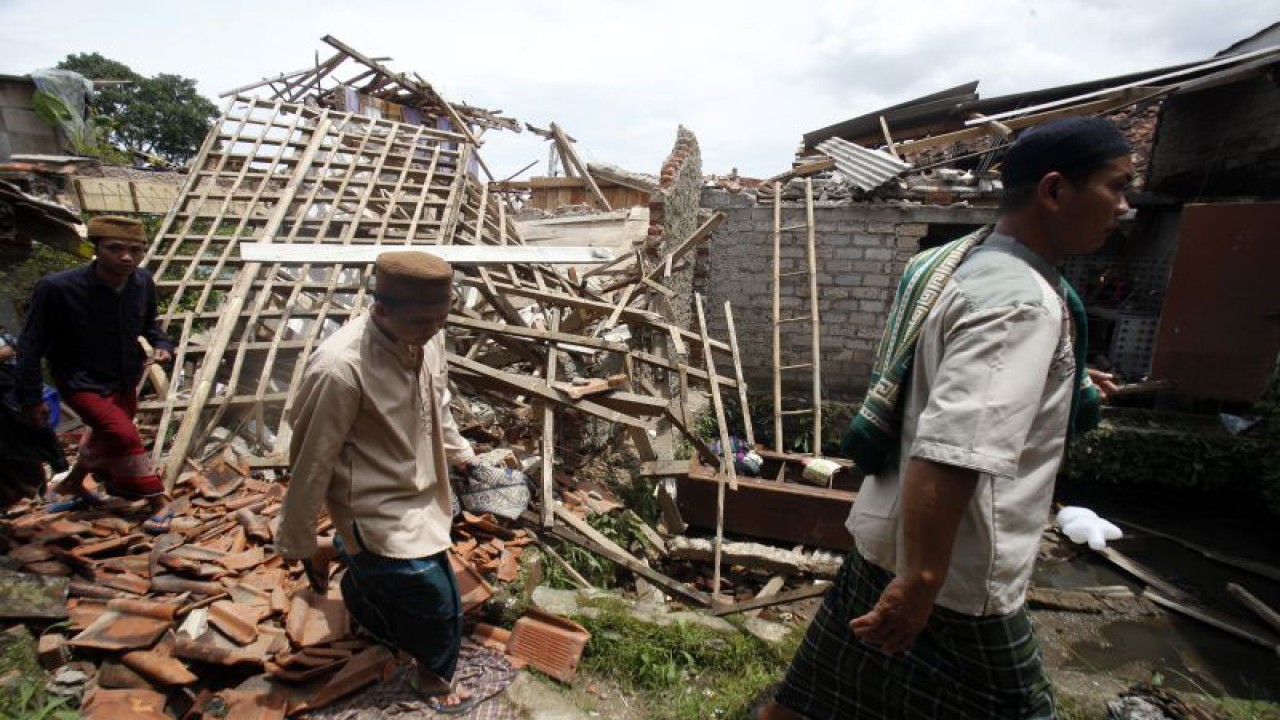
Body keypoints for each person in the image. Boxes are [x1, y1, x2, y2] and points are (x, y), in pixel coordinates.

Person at [760, 117, 1131, 720]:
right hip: (955, 567)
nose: (1126, 206)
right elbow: (954, 445)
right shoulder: (1020, 304)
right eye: (1117, 186)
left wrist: (1067, 382)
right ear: (1056, 191)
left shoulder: (958, 267)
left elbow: (951, 386)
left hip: (888, 535)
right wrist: (923, 580)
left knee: (812, 700)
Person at [277, 250, 509, 715]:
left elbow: (436, 402)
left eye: (442, 319)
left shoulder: (427, 335)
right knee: (438, 605)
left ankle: (350, 561)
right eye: (425, 320)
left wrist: (462, 455)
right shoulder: (339, 368)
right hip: (372, 504)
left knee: (426, 583)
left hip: (423, 486)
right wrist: (296, 539)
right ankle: (432, 676)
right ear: (381, 309)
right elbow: (310, 461)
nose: (435, 330)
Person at [15, 216, 175, 532]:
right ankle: (159, 500)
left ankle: (72, 484)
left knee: (105, 436)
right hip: (80, 381)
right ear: (96, 248)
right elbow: (30, 348)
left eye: (135, 250)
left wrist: (162, 344)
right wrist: (31, 400)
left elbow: (149, 325)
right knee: (123, 435)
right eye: (116, 248)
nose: (126, 257)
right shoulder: (57, 289)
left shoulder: (141, 282)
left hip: (125, 377)